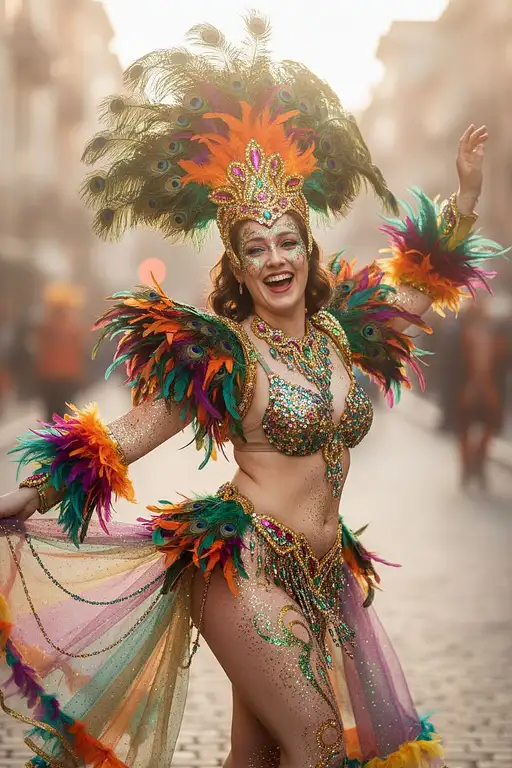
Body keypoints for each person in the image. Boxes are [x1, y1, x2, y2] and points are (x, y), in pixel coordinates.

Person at [0, 16, 506, 768]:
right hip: (243, 565)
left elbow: (421, 288)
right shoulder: (225, 353)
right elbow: (136, 427)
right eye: (255, 248)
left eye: (287, 241)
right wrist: (32, 493)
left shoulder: (342, 334)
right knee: (319, 745)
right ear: (237, 268)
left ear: (309, 247)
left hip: (324, 575)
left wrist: (467, 196)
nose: (275, 259)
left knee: (259, 759)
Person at [453, 298, 510, 489]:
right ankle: (468, 467)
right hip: (466, 387)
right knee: (464, 431)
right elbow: (452, 364)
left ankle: (477, 463)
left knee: (488, 428)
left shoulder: (497, 337)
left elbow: (503, 364)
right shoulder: (461, 336)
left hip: (489, 389)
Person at [34, 283, 88, 422]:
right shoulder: (72, 327)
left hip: (51, 377)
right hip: (66, 377)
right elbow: (80, 352)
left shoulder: (46, 326)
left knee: (51, 414)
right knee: (63, 414)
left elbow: (40, 350)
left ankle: (51, 438)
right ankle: (60, 439)